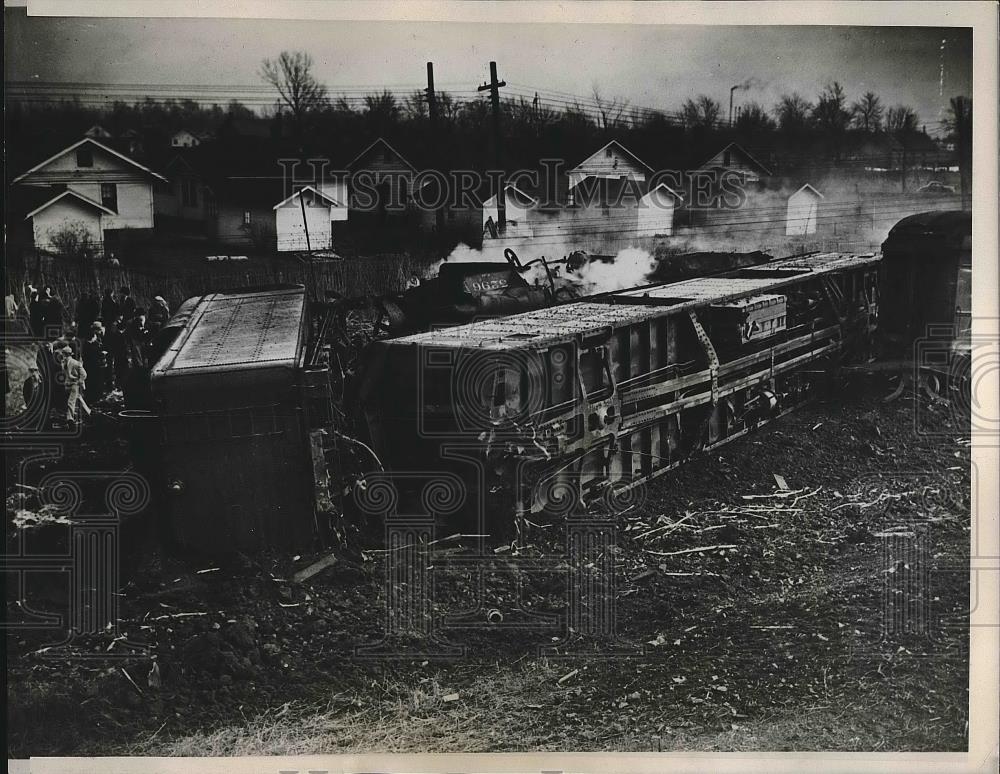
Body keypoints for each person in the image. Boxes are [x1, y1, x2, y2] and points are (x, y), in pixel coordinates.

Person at [62, 345, 88, 425]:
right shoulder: (63, 363)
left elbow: (84, 374)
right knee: (78, 399)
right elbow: (66, 374)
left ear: (66, 354)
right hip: (68, 384)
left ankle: (70, 419)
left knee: (70, 402)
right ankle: (88, 412)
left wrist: (78, 382)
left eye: (64, 354)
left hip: (75, 385)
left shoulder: (75, 363)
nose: (63, 355)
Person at [81, 322, 107, 403]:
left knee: (98, 380)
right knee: (91, 380)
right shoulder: (88, 340)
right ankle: (91, 398)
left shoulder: (98, 338)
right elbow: (87, 353)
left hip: (97, 364)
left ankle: (97, 397)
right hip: (91, 364)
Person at [103, 315, 128, 391]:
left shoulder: (114, 329)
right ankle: (118, 384)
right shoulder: (116, 330)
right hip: (118, 353)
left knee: (117, 369)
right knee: (119, 369)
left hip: (116, 352)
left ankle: (116, 384)